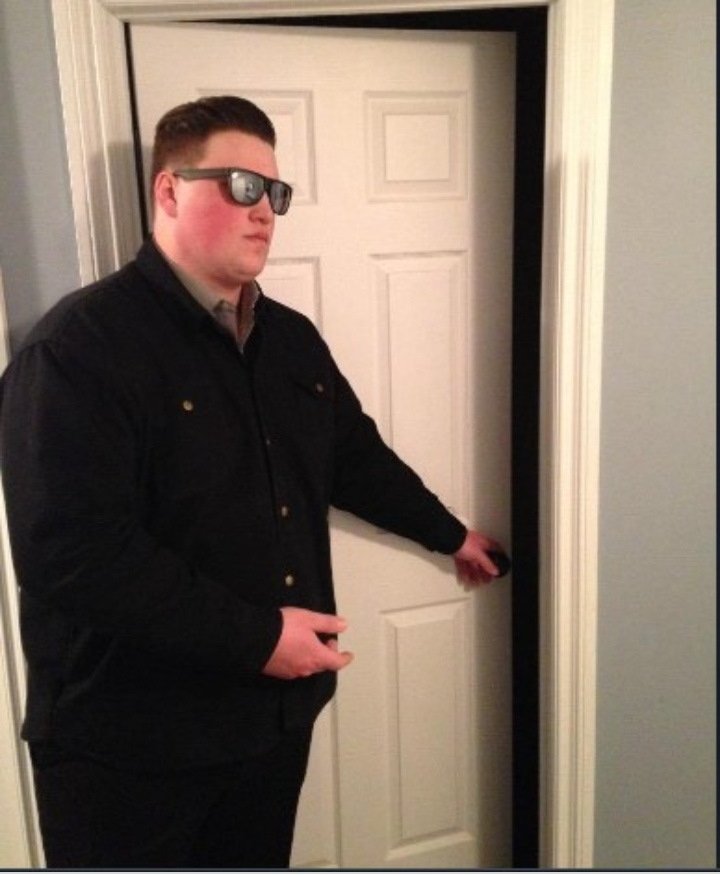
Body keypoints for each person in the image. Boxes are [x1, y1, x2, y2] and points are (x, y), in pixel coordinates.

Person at [0, 95, 508, 869]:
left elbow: (354, 458)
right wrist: (260, 638)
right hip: (128, 747)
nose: (265, 210)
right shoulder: (78, 351)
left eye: (275, 192)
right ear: (170, 190)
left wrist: (451, 535)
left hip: (269, 725)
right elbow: (71, 555)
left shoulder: (290, 340)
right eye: (242, 186)